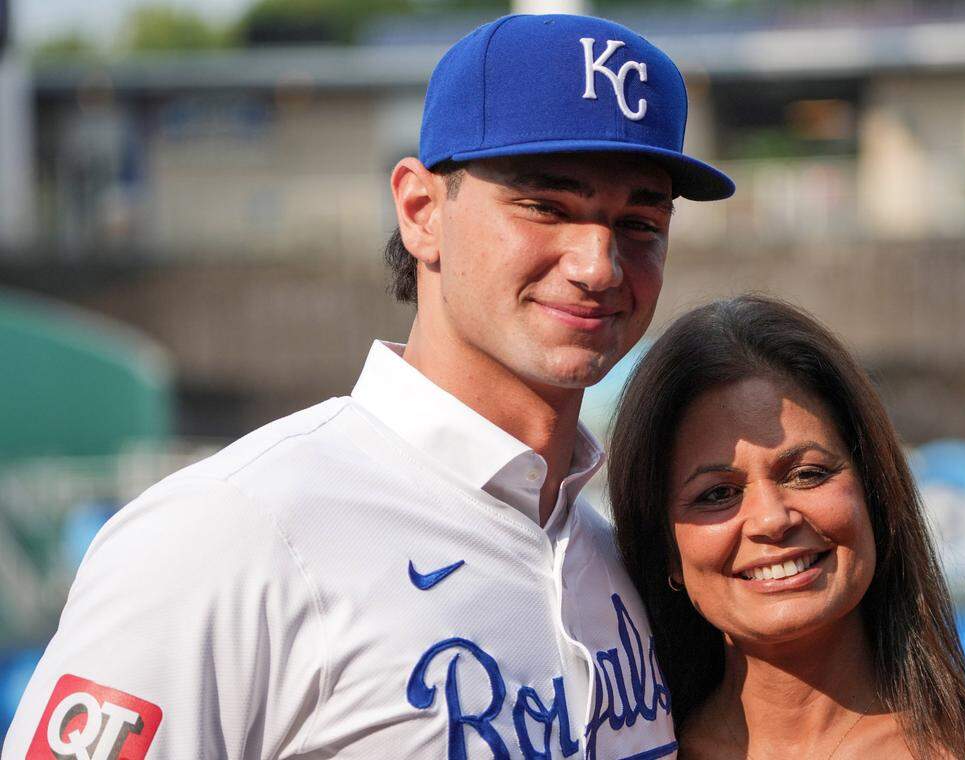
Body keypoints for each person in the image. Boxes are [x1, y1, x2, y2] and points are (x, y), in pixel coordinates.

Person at [2, 14, 733, 760]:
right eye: (545, 206)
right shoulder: (232, 530)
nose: (598, 264)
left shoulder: (620, 561)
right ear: (421, 212)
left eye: (640, 222)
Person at [607, 295, 965, 760]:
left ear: (874, 492)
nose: (771, 519)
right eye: (717, 494)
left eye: (807, 474)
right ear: (667, 550)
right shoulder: (630, 752)